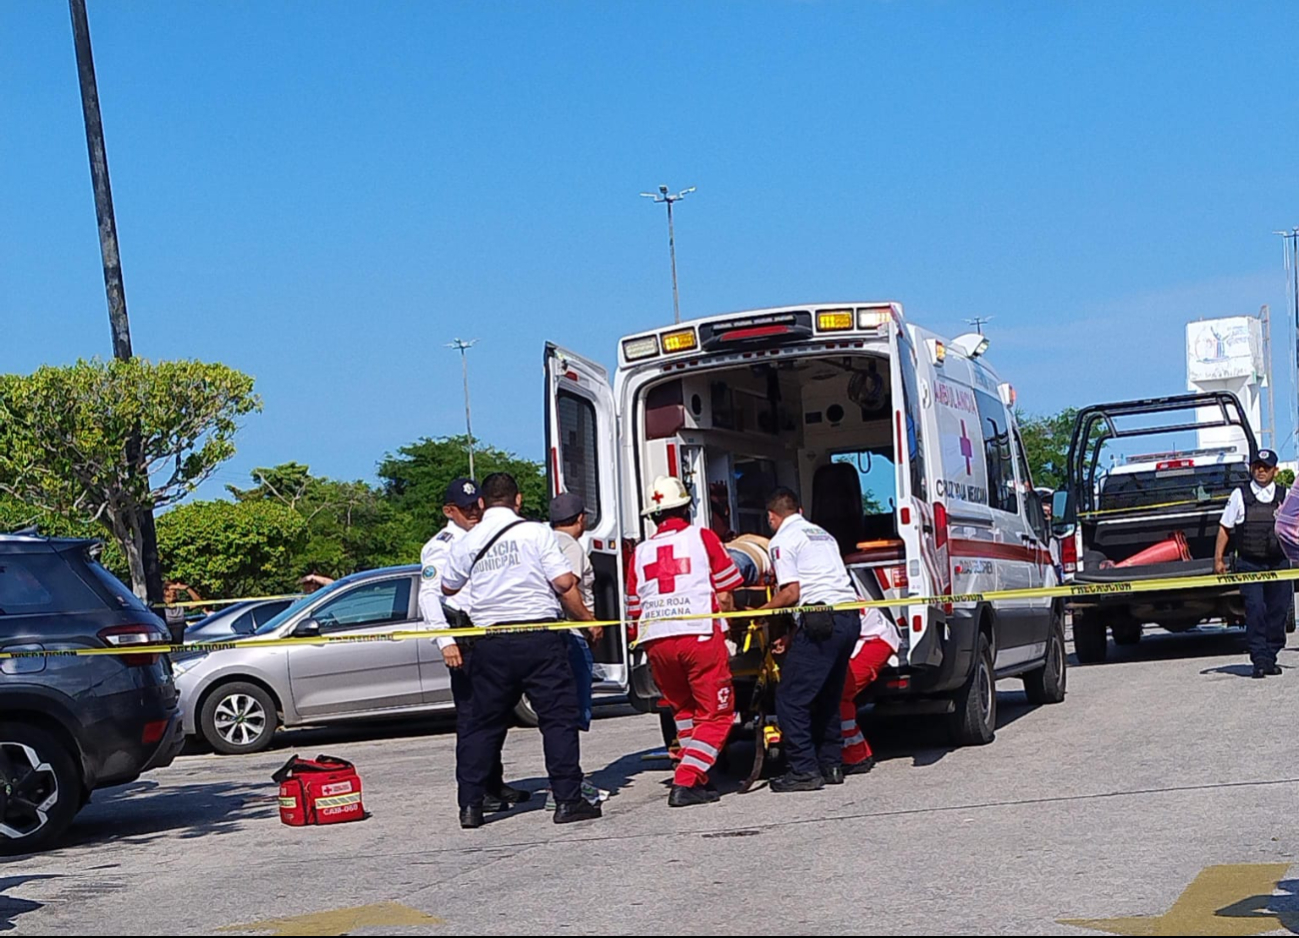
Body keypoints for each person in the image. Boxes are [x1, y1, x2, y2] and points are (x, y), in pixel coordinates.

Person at [441, 472, 602, 828]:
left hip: (491, 642)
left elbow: (448, 587)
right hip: (538, 638)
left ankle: (470, 807)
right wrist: (588, 618)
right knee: (557, 720)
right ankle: (567, 800)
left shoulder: (469, 539)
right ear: (518, 500)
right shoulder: (536, 532)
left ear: (481, 502)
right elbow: (562, 583)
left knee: (481, 725)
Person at [627, 476, 744, 807]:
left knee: (684, 709)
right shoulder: (702, 538)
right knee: (718, 713)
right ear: (686, 508)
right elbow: (725, 592)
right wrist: (731, 630)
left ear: (654, 516)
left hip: (657, 642)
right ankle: (686, 779)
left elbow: (634, 607)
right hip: (698, 635)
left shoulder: (640, 552)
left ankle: (694, 774)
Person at [418, 477, 528, 814]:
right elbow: (429, 596)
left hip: (489, 637)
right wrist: (445, 641)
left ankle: (493, 782)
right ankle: (476, 792)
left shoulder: (484, 537)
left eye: (475, 505)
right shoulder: (441, 545)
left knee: (496, 715)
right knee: (472, 720)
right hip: (463, 637)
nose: (472, 512)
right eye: (464, 508)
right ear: (449, 511)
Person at [760, 486, 861, 792]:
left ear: (772, 517)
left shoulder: (782, 541)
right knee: (828, 696)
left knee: (790, 698)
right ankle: (831, 764)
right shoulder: (822, 534)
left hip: (822, 621)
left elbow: (792, 592)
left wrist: (758, 613)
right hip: (848, 618)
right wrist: (793, 635)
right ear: (800, 511)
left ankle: (803, 770)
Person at [549, 492, 610, 807]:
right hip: (572, 635)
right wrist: (589, 622)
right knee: (572, 713)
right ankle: (569, 783)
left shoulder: (544, 542)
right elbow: (566, 587)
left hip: (552, 638)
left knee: (560, 713)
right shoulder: (569, 546)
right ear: (581, 519)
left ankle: (566, 780)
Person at [1214, 449, 1292, 679]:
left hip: (1278, 563)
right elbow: (1225, 528)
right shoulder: (1240, 495)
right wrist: (1218, 558)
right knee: (1256, 609)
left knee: (1278, 611)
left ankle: (1270, 656)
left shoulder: (1285, 495)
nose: (1260, 470)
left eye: (1266, 467)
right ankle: (1259, 659)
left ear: (1275, 471)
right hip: (1250, 563)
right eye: (1257, 466)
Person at [838, 607, 900, 775]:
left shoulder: (813, 592)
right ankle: (854, 751)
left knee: (840, 692)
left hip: (874, 638)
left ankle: (856, 755)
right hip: (862, 634)